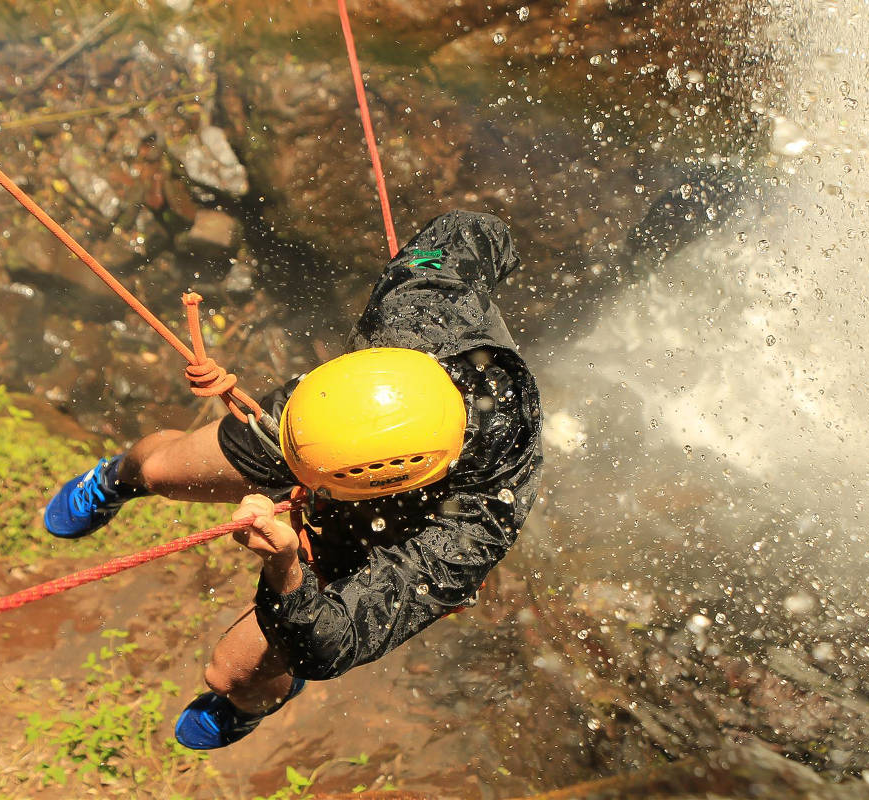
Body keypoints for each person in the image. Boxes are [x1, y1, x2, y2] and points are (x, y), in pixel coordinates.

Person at [43, 210, 543, 750]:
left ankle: (254, 702)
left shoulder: (469, 529)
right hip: (325, 416)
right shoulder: (417, 303)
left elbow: (333, 645)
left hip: (396, 520)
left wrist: (285, 570)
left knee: (232, 674)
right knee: (160, 468)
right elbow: (475, 228)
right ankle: (118, 480)